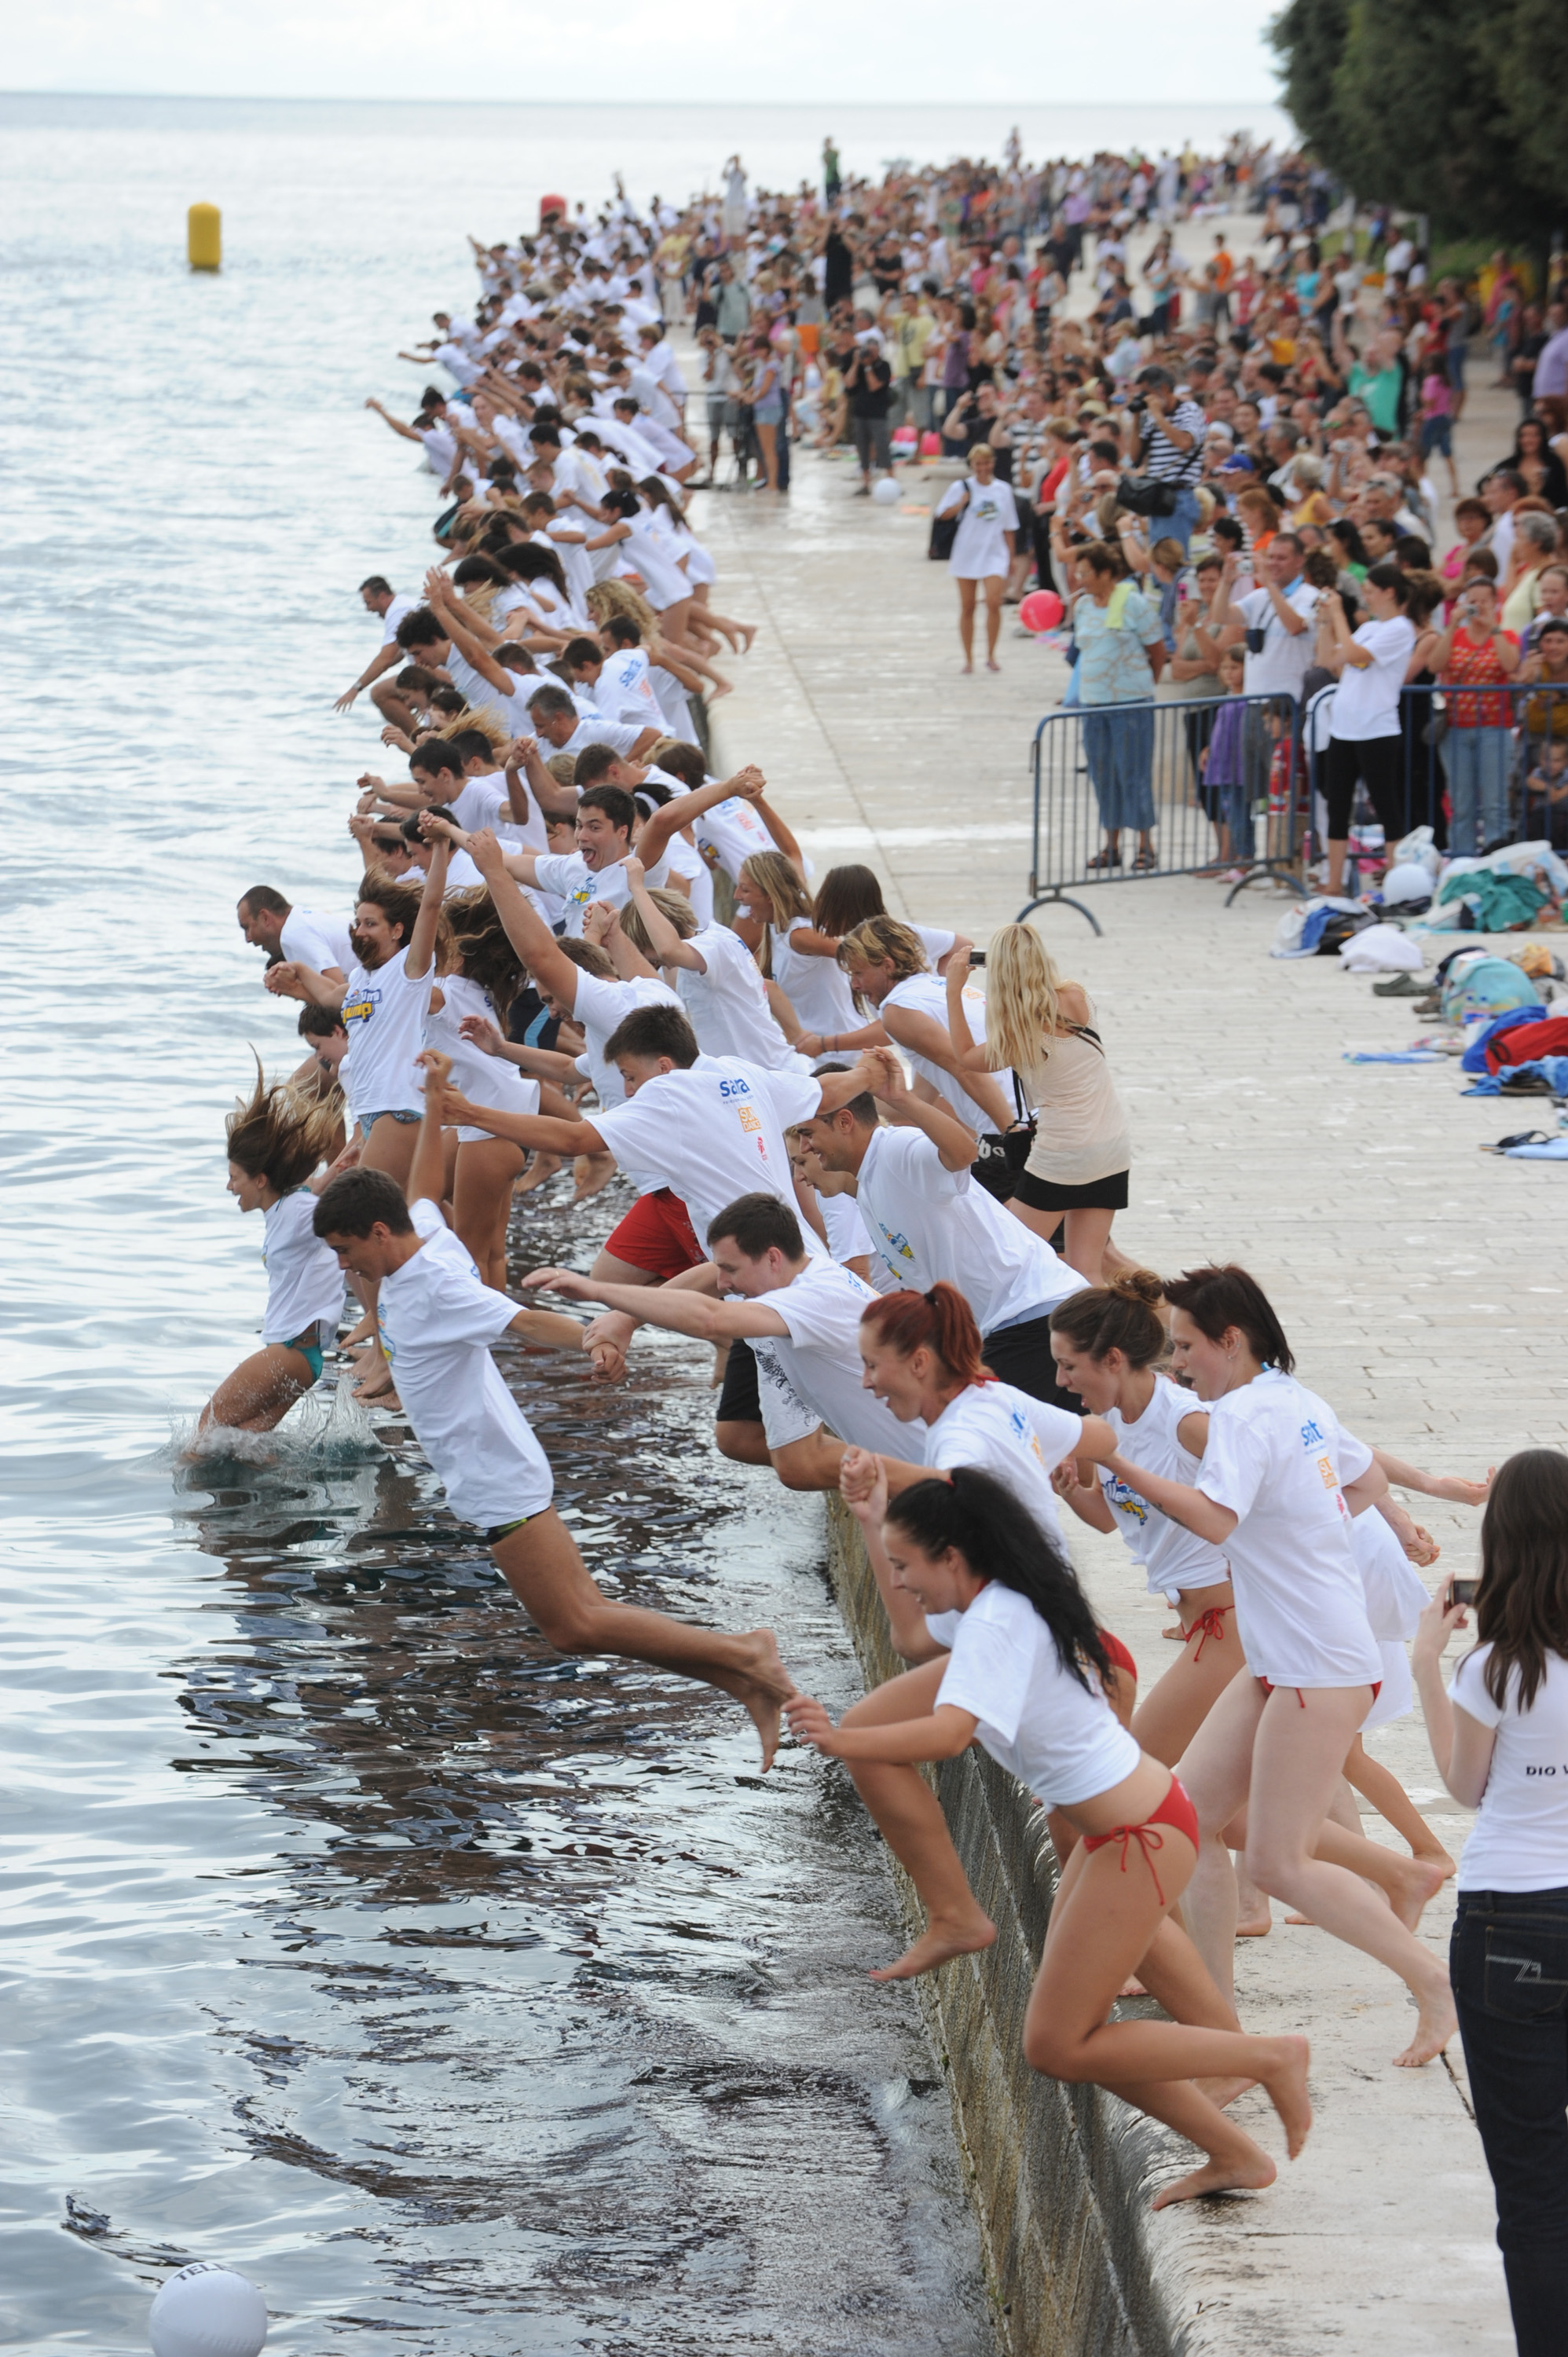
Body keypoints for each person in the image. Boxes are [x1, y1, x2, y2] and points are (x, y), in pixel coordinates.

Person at [785, 1466, 1313, 2206]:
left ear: (954, 1560)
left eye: (908, 1566)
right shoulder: (991, 1608)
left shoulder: (998, 1622)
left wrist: (842, 1744)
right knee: (1066, 2040)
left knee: (1060, 2043)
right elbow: (912, 1638)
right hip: (1126, 1834)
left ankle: (1266, 2058)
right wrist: (876, 1522)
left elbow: (948, 1735)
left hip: (1141, 1837)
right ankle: (1236, 2154)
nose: (900, 1582)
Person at [311, 1070, 798, 1769]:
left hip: (496, 1477)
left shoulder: (436, 1284)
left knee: (575, 1625)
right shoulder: (425, 1244)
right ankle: (742, 1678)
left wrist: (595, 1337)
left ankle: (745, 1655)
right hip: (491, 1472)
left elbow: (526, 1321)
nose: (342, 1264)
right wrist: (432, 1107)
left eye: (344, 1250)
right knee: (577, 1623)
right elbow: (422, 1191)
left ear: (379, 1235)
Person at [1096, 1263, 1457, 2068]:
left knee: (1277, 1861)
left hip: (1316, 1664)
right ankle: (1218, 2026)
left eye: (1185, 1347)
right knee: (1187, 1815)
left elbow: (1216, 1520)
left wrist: (1120, 1465)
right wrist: (1301, 1534)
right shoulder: (1296, 1400)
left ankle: (1434, 1983)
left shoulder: (1244, 1418)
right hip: (1286, 1655)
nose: (1176, 1366)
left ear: (1231, 1340)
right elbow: (1360, 1480)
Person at [1412, 1450, 1568, 2357]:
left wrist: (1428, 1666)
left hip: (1512, 1918)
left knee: (1532, 2187)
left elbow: (1463, 1789)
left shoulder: (1496, 1668)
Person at [529, 1190, 914, 1494]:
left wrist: (598, 1292)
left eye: (731, 1270)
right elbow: (706, 1278)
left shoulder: (812, 1299)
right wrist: (626, 1321)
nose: (723, 1284)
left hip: (941, 1465)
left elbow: (712, 1319)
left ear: (773, 1258)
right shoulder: (804, 1267)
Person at [793, 1050, 1086, 1407]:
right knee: (1071, 1444)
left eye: (808, 1134)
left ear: (844, 1122)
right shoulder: (867, 1188)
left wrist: (902, 1099)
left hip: (1030, 1313)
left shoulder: (894, 1148)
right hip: (1025, 1316)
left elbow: (963, 1153)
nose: (805, 1147)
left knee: (990, 1442)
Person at [943, 926, 1132, 1281]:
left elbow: (966, 1057)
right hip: (1111, 1145)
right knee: (1085, 1269)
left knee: (1006, 1254)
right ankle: (1101, 1335)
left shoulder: (1022, 1034)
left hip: (1063, 1153)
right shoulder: (1076, 995)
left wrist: (954, 990)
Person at [193, 1059, 347, 1442]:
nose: (230, 1187)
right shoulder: (285, 1207)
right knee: (241, 1443)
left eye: (234, 1178)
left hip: (291, 1350)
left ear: (260, 1179)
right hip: (303, 1357)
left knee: (207, 1430)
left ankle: (183, 1503)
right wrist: (340, 1166)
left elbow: (322, 1209)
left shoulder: (294, 1212)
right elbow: (312, 1191)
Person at [1060, 537, 1166, 874]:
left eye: (1087, 573)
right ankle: (1113, 844)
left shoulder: (1133, 602)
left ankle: (1146, 845)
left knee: (1134, 774)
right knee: (1103, 775)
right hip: (1094, 704)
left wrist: (1144, 682)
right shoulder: (1083, 607)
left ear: (1106, 573)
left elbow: (1157, 649)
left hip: (1131, 703)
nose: (1080, 580)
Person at [1315, 563, 1420, 893]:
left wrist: (1339, 616)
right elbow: (1329, 661)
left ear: (1389, 592)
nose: (1367, 598)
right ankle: (1334, 882)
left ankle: (1394, 879)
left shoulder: (1400, 628)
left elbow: (1356, 656)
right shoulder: (1371, 627)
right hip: (1344, 728)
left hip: (1377, 729)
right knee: (1337, 805)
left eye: (1371, 591)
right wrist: (1324, 624)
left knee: (1385, 803)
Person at [1432, 574, 1522, 856]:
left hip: (1494, 728)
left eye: (1485, 601)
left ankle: (1495, 860)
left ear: (1496, 603)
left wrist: (1493, 628)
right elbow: (1436, 663)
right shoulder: (1456, 635)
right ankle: (1462, 861)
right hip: (1456, 729)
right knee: (1462, 804)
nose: (1479, 607)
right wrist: (1452, 626)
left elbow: (1509, 664)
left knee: (1496, 804)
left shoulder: (1506, 636)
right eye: (1473, 601)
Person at [934, 442, 1018, 675]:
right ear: (972, 465)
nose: (982, 468)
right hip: (967, 551)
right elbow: (941, 514)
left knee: (993, 602)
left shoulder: (1003, 490)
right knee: (968, 606)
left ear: (993, 463)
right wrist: (960, 504)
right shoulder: (960, 487)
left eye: (986, 463)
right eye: (978, 464)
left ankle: (991, 654)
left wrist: (1011, 558)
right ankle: (968, 658)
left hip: (995, 552)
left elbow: (1009, 526)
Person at [334, 577, 417, 715]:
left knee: (379, 693)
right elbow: (400, 652)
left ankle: (417, 734)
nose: (368, 609)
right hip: (431, 669)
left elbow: (386, 659)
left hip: (434, 672)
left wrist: (356, 688)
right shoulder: (404, 602)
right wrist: (376, 669)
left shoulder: (397, 612)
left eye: (368, 603)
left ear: (382, 596)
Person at [237, 888, 351, 985]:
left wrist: (291, 989)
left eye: (247, 928)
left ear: (265, 918)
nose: (248, 939)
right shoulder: (302, 920)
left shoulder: (294, 934)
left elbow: (339, 996)